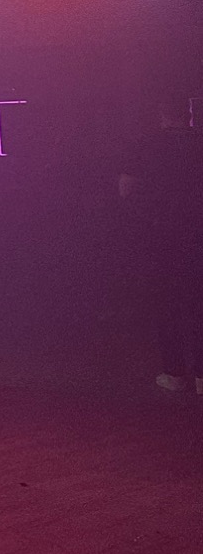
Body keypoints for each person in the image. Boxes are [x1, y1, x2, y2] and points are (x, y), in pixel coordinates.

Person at [119, 93, 203, 395]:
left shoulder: (147, 144)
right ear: (189, 113)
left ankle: (175, 372)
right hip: (198, 232)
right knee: (198, 301)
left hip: (161, 234)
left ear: (162, 113)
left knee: (167, 304)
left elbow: (126, 189)